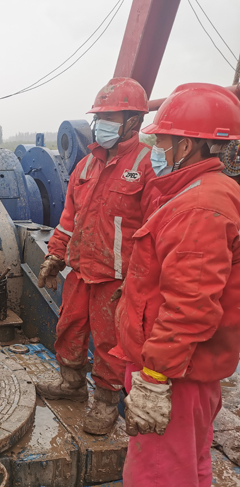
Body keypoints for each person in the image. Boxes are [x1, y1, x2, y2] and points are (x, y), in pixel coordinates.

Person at [110, 83, 240, 486]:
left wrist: (153, 378)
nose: (155, 149)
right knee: (189, 463)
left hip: (173, 373)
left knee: (158, 473)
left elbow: (190, 305)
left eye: (161, 141)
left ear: (185, 146)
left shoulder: (199, 208)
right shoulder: (205, 192)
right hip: (185, 368)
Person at [35, 77, 155, 435]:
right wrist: (55, 255)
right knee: (69, 328)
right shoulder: (86, 166)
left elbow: (155, 230)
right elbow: (69, 219)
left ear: (133, 121)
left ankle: (105, 401)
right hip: (80, 271)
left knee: (108, 342)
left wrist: (138, 283)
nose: (101, 124)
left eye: (110, 117)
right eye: (99, 117)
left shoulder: (147, 166)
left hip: (116, 280)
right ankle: (71, 383)